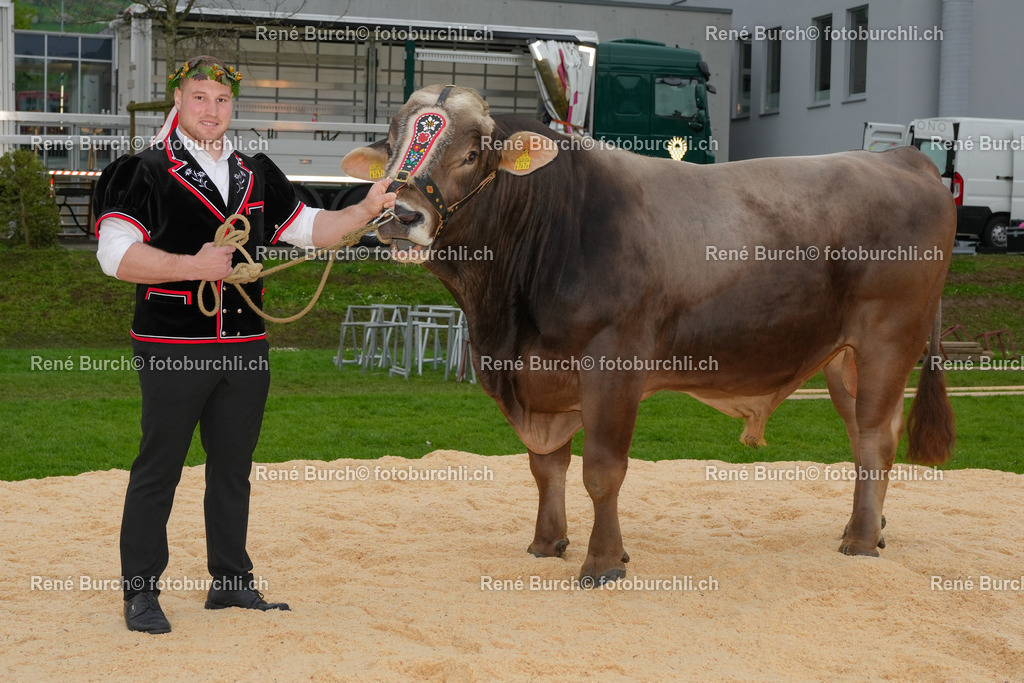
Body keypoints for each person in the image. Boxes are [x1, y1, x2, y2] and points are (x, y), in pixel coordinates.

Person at [93, 55, 395, 634]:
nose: (211, 109)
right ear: (178, 101)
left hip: (245, 346)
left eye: (222, 100)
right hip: (173, 343)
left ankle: (230, 583)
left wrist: (365, 207)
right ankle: (141, 593)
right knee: (160, 469)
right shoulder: (142, 171)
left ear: (233, 107)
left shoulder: (255, 172)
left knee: (232, 469)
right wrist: (192, 265)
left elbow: (309, 228)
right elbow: (115, 256)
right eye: (200, 97)